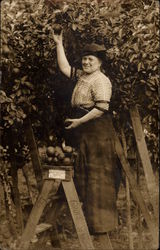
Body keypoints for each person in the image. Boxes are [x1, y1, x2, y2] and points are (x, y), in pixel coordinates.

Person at [52, 30, 120, 249]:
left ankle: (101, 228)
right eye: (84, 59)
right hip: (85, 129)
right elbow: (64, 68)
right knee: (85, 174)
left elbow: (101, 108)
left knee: (99, 178)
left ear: (99, 62)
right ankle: (88, 224)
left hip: (98, 132)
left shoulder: (101, 80)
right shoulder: (83, 76)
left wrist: (79, 122)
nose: (86, 62)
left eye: (91, 59)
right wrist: (59, 43)